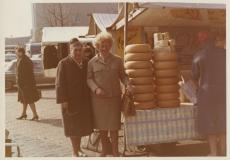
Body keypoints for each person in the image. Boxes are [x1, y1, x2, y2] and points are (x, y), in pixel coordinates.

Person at [87, 31, 131, 157]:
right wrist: (96, 89)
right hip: (98, 99)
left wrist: (128, 84)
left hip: (114, 99)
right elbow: (89, 79)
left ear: (111, 45)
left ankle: (115, 151)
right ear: (97, 46)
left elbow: (123, 76)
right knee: (102, 127)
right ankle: (105, 150)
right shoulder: (91, 63)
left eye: (107, 45)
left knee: (114, 127)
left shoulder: (117, 60)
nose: (104, 47)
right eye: (102, 45)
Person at [56, 38, 93, 157]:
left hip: (83, 100)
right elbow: (59, 84)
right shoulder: (63, 63)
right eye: (75, 50)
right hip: (70, 101)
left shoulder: (87, 62)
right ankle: (74, 151)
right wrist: (63, 101)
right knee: (72, 127)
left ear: (83, 50)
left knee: (80, 126)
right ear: (70, 50)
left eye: (79, 50)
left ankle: (79, 149)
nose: (78, 52)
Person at [192, 31, 226, 156]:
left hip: (207, 94)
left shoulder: (198, 55)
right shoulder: (225, 54)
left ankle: (214, 153)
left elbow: (194, 77)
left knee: (210, 124)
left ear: (201, 42)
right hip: (224, 92)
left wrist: (198, 90)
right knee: (223, 122)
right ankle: (224, 151)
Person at [15, 46, 40, 121]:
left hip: (26, 84)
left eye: (17, 52)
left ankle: (35, 115)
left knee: (29, 99)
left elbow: (27, 73)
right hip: (23, 84)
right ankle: (24, 114)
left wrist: (25, 84)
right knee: (24, 100)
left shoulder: (24, 60)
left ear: (21, 52)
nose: (16, 53)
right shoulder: (21, 59)